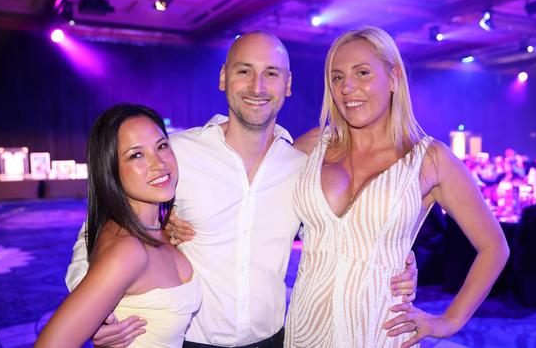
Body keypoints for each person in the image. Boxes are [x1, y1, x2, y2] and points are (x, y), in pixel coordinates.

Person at [65, 31, 418, 348]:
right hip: (192, 340)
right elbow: (100, 227)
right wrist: (99, 308)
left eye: (271, 74)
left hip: (275, 340)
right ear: (223, 77)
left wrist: (396, 256)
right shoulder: (176, 153)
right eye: (244, 70)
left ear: (288, 84)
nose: (257, 87)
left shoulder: (302, 167)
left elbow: (343, 230)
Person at [284, 26, 510, 347]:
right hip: (307, 331)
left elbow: (494, 247)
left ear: (393, 79)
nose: (347, 86)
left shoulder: (430, 159)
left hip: (383, 333)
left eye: (362, 73)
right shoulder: (309, 147)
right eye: (337, 77)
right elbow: (256, 205)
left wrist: (448, 321)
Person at [37, 104, 200, 347]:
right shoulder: (127, 249)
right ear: (110, 170)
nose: (159, 164)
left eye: (162, 146)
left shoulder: (156, 228)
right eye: (136, 155)